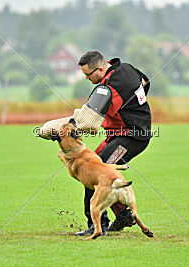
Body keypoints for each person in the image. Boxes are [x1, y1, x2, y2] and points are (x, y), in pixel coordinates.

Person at [72, 50, 153, 236]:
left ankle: (97, 224)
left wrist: (62, 129)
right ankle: (123, 215)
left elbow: (88, 120)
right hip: (122, 134)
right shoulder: (127, 68)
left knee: (95, 171)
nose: (86, 79)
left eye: (88, 75)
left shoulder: (109, 85)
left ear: (100, 68)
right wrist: (134, 106)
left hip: (132, 137)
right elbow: (145, 81)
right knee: (99, 170)